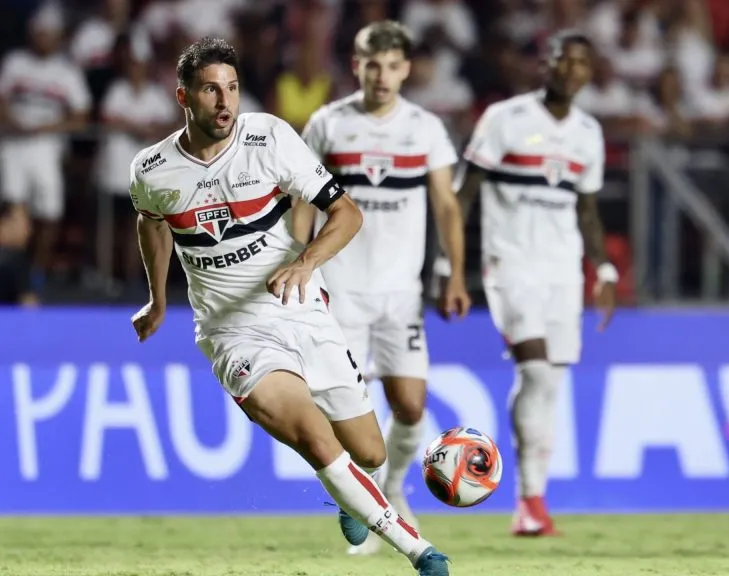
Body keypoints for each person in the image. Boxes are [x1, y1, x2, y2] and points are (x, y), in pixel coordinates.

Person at [127, 37, 450, 576]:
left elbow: (346, 212)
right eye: (211, 90)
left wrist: (305, 263)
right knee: (313, 438)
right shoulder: (153, 168)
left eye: (231, 88)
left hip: (301, 307)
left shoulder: (270, 137)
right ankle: (418, 549)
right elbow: (151, 221)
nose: (225, 101)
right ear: (183, 95)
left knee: (369, 453)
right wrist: (159, 299)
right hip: (233, 332)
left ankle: (350, 496)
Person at [292, 20, 471, 556]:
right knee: (346, 410)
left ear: (406, 69)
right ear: (356, 65)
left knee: (411, 406)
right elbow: (301, 198)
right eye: (373, 64)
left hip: (400, 293)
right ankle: (359, 502)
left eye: (393, 65)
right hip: (340, 288)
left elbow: (446, 204)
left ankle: (389, 490)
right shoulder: (328, 123)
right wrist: (298, 264)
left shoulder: (424, 128)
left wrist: (455, 272)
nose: (383, 75)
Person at [436, 29, 618, 536]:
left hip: (564, 271)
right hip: (511, 265)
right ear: (547, 64)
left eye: (582, 62)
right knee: (537, 374)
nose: (571, 69)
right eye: (563, 59)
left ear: (589, 72)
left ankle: (531, 504)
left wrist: (603, 269)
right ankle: (527, 500)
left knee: (550, 383)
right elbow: (463, 193)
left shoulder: (588, 132)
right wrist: (447, 264)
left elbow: (586, 208)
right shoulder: (505, 119)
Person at [0, 4, 91, 286]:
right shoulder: (15, 62)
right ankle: (9, 272)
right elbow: (1, 100)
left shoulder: (66, 71)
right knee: (14, 208)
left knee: (49, 213)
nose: (42, 38)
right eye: (38, 33)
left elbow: (81, 116)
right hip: (14, 144)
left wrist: (47, 127)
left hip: (47, 148)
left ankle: (35, 272)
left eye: (47, 34)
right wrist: (14, 122)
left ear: (57, 36)